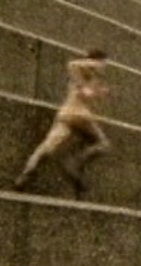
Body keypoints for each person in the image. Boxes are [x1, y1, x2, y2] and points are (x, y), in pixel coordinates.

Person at [14, 48, 111, 198]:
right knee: (103, 144)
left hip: (65, 115)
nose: (105, 66)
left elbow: (89, 91)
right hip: (80, 115)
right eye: (104, 63)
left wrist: (98, 92)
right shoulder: (86, 70)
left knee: (47, 147)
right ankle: (74, 163)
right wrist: (90, 74)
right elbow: (71, 65)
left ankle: (26, 173)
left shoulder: (89, 77)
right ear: (98, 60)